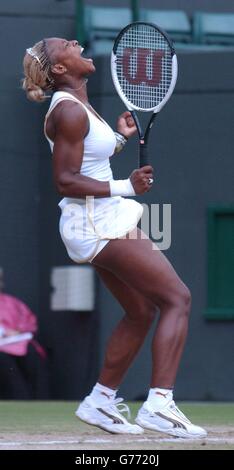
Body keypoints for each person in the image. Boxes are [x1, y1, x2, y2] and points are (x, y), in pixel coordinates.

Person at [22, 38, 206, 438]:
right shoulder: (69, 111)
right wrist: (128, 186)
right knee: (178, 298)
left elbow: (85, 161)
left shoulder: (76, 106)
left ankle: (101, 401)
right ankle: (159, 404)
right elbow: (64, 180)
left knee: (141, 311)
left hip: (98, 218)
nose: (75, 42)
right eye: (65, 45)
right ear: (58, 69)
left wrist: (119, 141)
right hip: (98, 221)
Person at [0, 267, 47, 399]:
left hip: (17, 342)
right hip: (2, 348)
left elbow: (29, 322)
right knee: (4, 361)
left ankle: (40, 399)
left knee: (32, 352)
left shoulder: (11, 302)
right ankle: (21, 397)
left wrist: (18, 331)